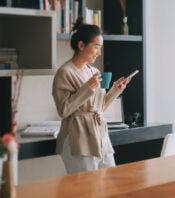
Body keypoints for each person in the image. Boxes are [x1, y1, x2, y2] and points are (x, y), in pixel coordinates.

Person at [52, 18, 131, 174]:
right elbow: (64, 110)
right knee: (86, 190)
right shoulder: (64, 73)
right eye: (96, 47)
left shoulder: (93, 71)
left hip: (100, 136)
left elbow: (99, 108)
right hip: (78, 138)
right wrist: (87, 87)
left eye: (100, 48)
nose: (99, 53)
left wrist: (116, 90)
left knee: (111, 185)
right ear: (81, 45)